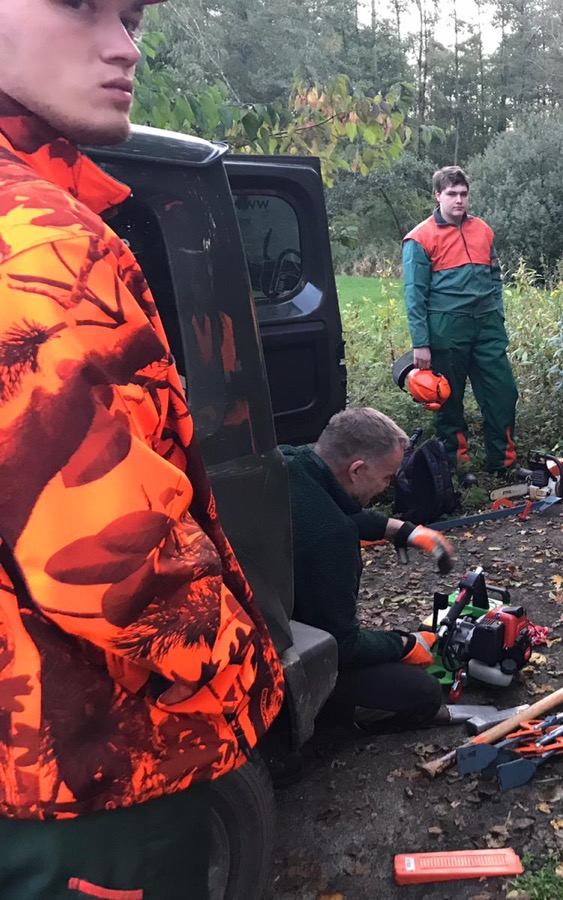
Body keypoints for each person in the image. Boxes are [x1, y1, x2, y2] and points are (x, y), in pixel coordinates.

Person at [0, 1, 284, 895]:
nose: (126, 46)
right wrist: (246, 678)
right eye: (82, 4)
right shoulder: (34, 242)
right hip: (88, 773)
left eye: (130, 15)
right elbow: (114, 564)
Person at [284, 408, 454, 730]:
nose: (388, 486)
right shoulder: (331, 537)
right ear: (358, 470)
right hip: (284, 657)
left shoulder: (291, 461)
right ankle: (330, 721)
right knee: (423, 693)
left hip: (247, 615)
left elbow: (332, 507)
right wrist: (404, 643)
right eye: (387, 477)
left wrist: (403, 531)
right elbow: (343, 646)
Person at [403, 166, 519, 475]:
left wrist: (497, 314)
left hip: (487, 326)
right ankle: (457, 466)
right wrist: (421, 344)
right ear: (437, 195)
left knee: (503, 393)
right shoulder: (419, 237)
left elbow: (495, 278)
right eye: (452, 194)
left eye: (463, 194)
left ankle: (503, 462)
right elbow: (414, 296)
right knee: (447, 401)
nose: (459, 200)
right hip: (445, 329)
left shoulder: (483, 230)